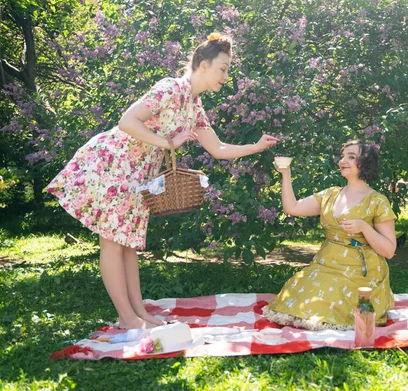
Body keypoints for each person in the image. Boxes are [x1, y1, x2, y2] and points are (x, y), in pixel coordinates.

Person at [46, 33, 278, 329]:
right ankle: (126, 317)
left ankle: (138, 312)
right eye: (223, 68)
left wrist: (255, 147)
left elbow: (217, 149)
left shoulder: (194, 105)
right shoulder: (170, 88)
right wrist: (167, 142)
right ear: (203, 65)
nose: (226, 76)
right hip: (114, 164)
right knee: (113, 243)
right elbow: (127, 122)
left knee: (128, 243)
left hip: (138, 174)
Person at [263, 140, 396, 330]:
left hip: (361, 270)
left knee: (330, 295)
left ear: (365, 163)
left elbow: (389, 250)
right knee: (299, 293)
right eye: (343, 156)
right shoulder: (331, 194)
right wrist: (286, 173)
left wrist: (364, 227)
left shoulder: (377, 201)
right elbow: (292, 208)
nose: (343, 160)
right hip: (325, 263)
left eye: (351, 157)